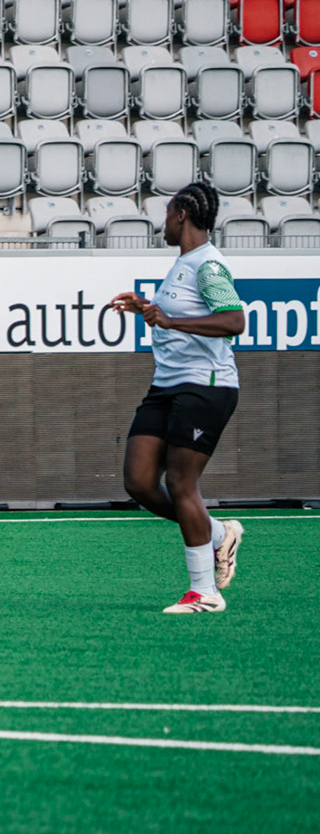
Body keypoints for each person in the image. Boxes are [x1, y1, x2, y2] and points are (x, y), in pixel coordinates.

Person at [109, 183, 247, 615]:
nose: (163, 222)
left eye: (168, 213)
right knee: (139, 482)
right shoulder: (185, 263)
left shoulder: (207, 265)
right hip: (167, 385)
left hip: (204, 386)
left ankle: (205, 591)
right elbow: (180, 316)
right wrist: (148, 309)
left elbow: (234, 320)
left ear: (183, 214)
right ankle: (219, 534)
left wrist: (168, 319)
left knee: (181, 484)